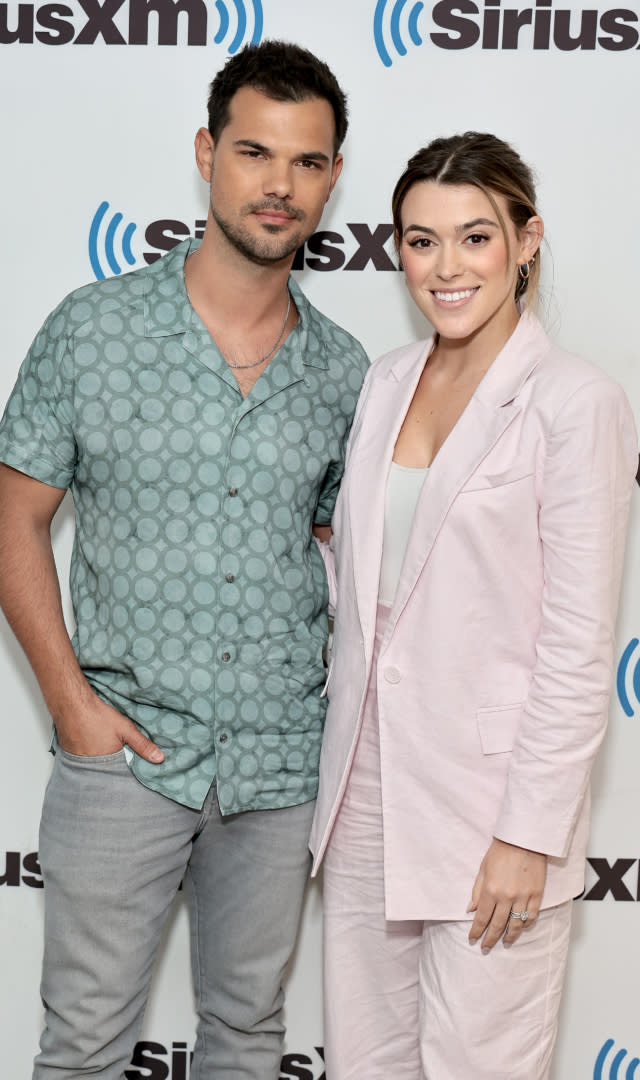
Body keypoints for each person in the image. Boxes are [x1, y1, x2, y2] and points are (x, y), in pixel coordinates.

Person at [0, 40, 368, 1080]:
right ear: (207, 153)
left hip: (282, 767)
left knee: (247, 1038)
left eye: (306, 162)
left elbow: (352, 562)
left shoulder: (346, 374)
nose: (278, 185)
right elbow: (12, 517)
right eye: (255, 153)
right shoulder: (93, 330)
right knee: (82, 1047)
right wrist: (69, 703)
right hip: (125, 756)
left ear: (332, 177)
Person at [309, 132, 637, 1079]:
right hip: (367, 793)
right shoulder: (384, 383)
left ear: (526, 241)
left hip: (490, 810)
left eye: (474, 237)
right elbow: (370, 587)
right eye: (420, 241)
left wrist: (527, 835)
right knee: (366, 1063)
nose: (445, 268)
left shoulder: (577, 402)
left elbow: (578, 645)